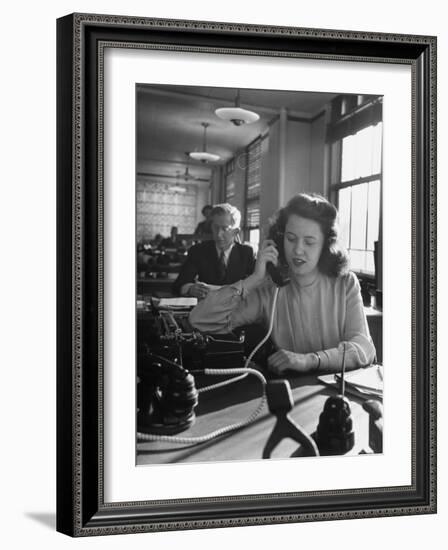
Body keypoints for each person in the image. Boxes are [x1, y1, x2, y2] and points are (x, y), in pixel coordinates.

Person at [189, 193, 376, 374]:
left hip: (336, 392)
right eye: (291, 239)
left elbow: (363, 349)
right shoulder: (270, 289)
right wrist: (254, 279)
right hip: (292, 391)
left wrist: (310, 361)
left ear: (325, 246)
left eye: (309, 242)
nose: (298, 250)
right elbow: (200, 320)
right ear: (279, 239)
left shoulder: (345, 283)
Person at [173, 203, 256, 298]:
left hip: (237, 309)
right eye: (216, 228)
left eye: (225, 229)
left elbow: (254, 287)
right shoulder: (198, 251)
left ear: (235, 232)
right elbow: (178, 285)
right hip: (205, 308)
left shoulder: (246, 253)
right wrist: (190, 289)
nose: (219, 234)